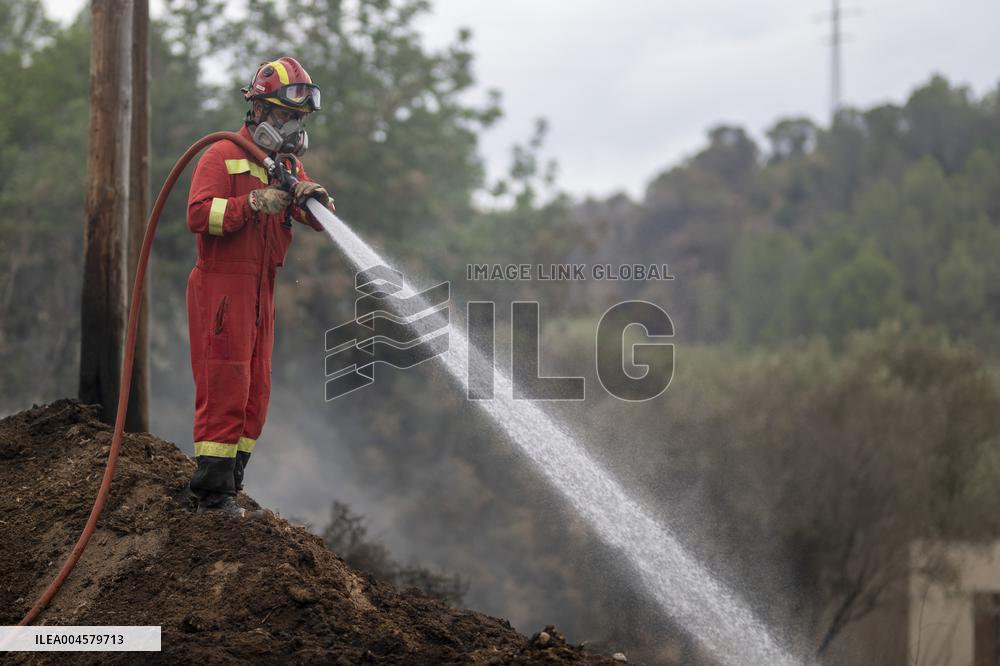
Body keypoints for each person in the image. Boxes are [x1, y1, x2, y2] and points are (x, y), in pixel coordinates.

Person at [186, 56, 334, 516]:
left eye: (298, 119)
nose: (291, 126)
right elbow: (198, 215)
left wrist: (317, 201)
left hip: (261, 290)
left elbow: (316, 221)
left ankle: (232, 484)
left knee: (256, 389)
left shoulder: (285, 165)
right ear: (259, 111)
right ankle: (211, 496)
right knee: (226, 383)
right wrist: (250, 202)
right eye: (285, 114)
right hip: (222, 289)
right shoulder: (221, 155)